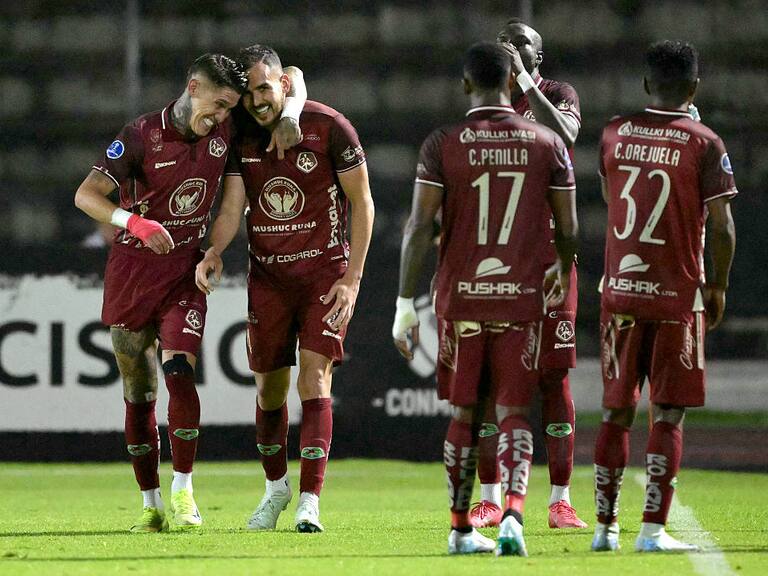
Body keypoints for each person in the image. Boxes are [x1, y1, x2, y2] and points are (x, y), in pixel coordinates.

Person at [73, 53, 305, 533]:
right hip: (133, 272)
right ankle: (150, 504)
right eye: (218, 104)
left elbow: (293, 78)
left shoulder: (226, 127)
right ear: (192, 86)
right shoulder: (140, 134)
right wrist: (133, 221)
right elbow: (87, 195)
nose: (223, 117)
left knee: (179, 373)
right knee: (139, 392)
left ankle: (184, 492)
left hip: (185, 272)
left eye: (229, 109)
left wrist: (293, 115)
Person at [392, 42, 578, 556]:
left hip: (461, 301)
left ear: (465, 84)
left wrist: (405, 303)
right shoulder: (546, 142)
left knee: (465, 417)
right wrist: (563, 265)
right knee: (517, 410)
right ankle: (514, 517)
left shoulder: (442, 144)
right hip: (520, 300)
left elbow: (419, 226)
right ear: (513, 81)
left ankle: (460, 529)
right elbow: (570, 226)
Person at [195, 44, 374, 534]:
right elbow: (232, 208)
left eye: (263, 89)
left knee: (314, 381)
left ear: (285, 85)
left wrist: (353, 278)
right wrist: (214, 251)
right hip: (269, 280)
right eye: (249, 92)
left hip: (324, 277)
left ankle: (310, 501)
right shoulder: (241, 136)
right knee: (269, 392)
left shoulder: (328, 127)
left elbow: (363, 202)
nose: (256, 100)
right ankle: (276, 489)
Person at [591, 40, 736, 553]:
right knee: (668, 411)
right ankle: (652, 530)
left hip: (621, 293)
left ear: (647, 83)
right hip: (677, 296)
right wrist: (716, 283)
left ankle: (604, 530)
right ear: (694, 87)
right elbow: (721, 225)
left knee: (614, 411)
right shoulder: (705, 142)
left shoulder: (613, 132)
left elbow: (613, 198)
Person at [468, 17, 588, 531]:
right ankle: (491, 497)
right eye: (507, 42)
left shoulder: (558, 93)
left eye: (523, 42)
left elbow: (563, 137)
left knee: (553, 377)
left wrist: (521, 80)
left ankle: (560, 499)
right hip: (498, 263)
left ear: (540, 54)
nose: (512, 48)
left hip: (549, 262)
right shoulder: (485, 105)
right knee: (492, 380)